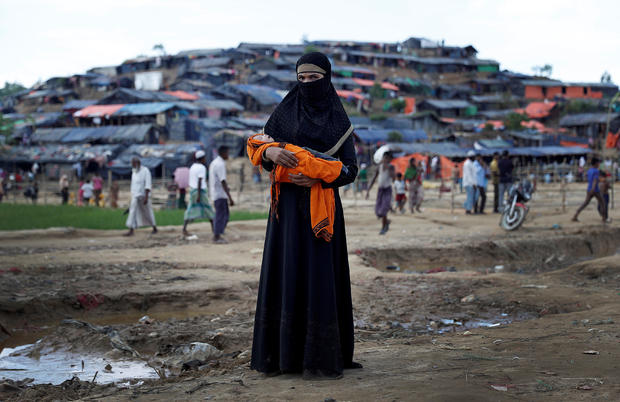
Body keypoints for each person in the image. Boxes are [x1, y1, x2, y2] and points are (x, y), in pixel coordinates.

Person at [251, 52, 360, 380]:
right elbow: (263, 152)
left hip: (320, 212)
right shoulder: (283, 114)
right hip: (285, 212)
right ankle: (281, 357)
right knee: (285, 273)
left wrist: (318, 177)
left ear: (326, 79)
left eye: (314, 78)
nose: (307, 84)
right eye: (302, 79)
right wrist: (268, 152)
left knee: (317, 278)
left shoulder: (340, 123)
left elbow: (351, 170)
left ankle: (319, 358)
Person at [247, 133, 349, 241]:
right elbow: (265, 164)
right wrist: (266, 153)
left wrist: (319, 179)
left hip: (323, 190)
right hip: (288, 206)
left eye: (262, 135)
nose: (264, 135)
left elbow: (351, 170)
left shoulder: (339, 124)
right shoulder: (277, 122)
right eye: (260, 138)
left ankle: (334, 167)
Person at [183, 150, 214, 237]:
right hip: (200, 191)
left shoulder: (192, 167)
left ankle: (184, 228)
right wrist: (199, 195)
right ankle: (214, 229)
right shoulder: (202, 168)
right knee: (208, 209)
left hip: (192, 190)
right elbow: (200, 181)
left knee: (190, 209)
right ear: (202, 158)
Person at [124, 157, 157, 236]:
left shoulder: (145, 171)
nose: (133, 166)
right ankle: (131, 230)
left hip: (143, 195)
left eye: (134, 164)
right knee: (133, 212)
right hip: (135, 195)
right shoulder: (134, 172)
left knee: (147, 212)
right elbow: (133, 185)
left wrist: (146, 197)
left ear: (137, 163)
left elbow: (148, 184)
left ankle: (154, 228)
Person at [208, 146, 234, 243]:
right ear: (223, 153)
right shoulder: (220, 164)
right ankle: (216, 236)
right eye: (227, 153)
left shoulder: (214, 163)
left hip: (216, 193)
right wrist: (230, 197)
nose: (228, 155)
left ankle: (218, 232)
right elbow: (223, 181)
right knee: (221, 216)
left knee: (224, 215)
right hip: (220, 195)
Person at [572, 159, 608, 223]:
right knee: (602, 202)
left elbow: (587, 178)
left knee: (585, 203)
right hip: (595, 190)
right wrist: (593, 188)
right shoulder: (596, 171)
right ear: (596, 163)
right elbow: (595, 180)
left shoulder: (589, 170)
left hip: (589, 189)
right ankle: (604, 218)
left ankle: (575, 215)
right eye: (598, 163)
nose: (599, 164)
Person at [367, 152, 394, 234]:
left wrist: (389, 169)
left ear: (390, 159)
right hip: (380, 190)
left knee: (384, 210)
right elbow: (374, 178)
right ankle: (387, 222)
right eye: (384, 158)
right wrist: (368, 190)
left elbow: (394, 177)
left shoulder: (391, 167)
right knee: (378, 211)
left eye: (387, 158)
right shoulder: (379, 167)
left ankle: (383, 228)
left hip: (387, 190)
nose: (385, 160)